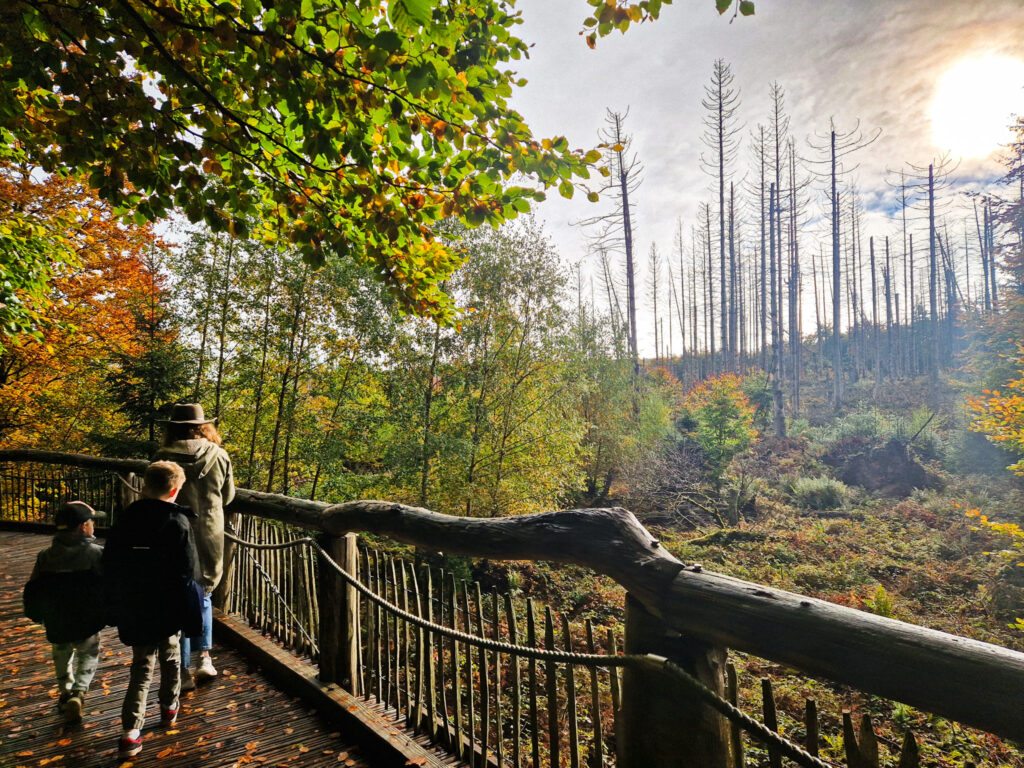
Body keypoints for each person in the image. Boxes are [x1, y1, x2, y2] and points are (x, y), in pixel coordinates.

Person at [103, 460, 201, 759]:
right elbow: (188, 570)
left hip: (135, 603)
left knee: (141, 667)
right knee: (171, 655)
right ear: (175, 490)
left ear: (145, 486)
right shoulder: (178, 522)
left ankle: (130, 733)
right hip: (166, 604)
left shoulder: (127, 518)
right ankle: (169, 708)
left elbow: (110, 561)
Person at [154, 402, 234, 689]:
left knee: (178, 596)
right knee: (203, 595)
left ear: (172, 428)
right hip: (210, 532)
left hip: (174, 532)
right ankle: (205, 660)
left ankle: (183, 671)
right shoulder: (219, 455)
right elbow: (228, 496)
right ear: (204, 426)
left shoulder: (163, 457)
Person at [23, 501, 106, 723]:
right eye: (91, 522)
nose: (94, 525)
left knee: (61, 652)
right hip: (86, 619)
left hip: (56, 619)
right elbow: (109, 585)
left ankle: (65, 690)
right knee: (89, 653)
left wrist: (37, 613)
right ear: (82, 527)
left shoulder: (46, 556)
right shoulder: (96, 554)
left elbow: (34, 587)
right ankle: (79, 692)